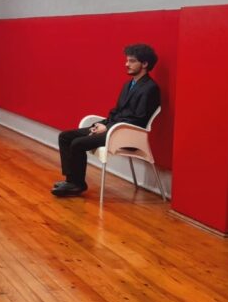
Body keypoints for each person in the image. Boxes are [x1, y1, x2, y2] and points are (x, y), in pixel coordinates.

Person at [52, 43, 161, 197]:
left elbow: (139, 120)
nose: (126, 64)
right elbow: (117, 111)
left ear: (144, 64)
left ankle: (77, 184)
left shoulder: (150, 88)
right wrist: (102, 124)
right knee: (65, 136)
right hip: (113, 128)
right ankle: (71, 181)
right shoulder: (128, 85)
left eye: (131, 61)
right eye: (127, 60)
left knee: (78, 143)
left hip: (125, 134)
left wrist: (108, 128)